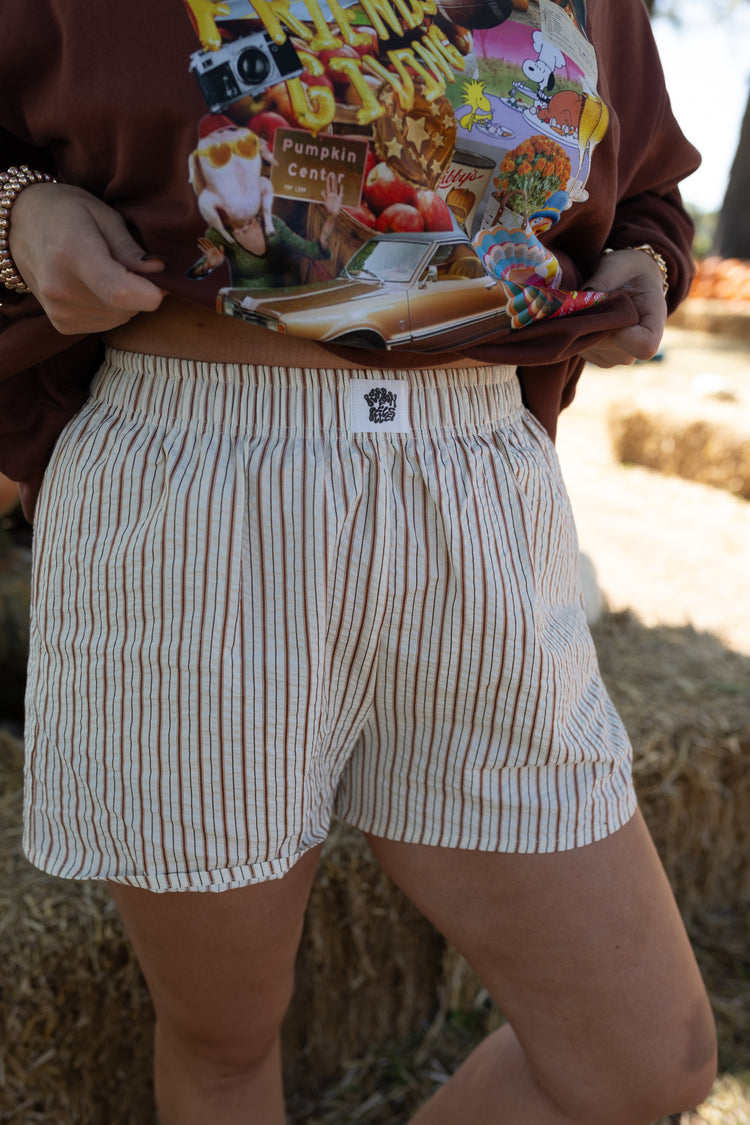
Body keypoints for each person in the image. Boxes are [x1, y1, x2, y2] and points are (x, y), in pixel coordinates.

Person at [0, 1, 717, 1123]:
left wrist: (642, 263)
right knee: (226, 1042)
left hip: (478, 482)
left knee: (642, 1067)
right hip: (195, 484)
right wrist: (22, 215)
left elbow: (643, 190)